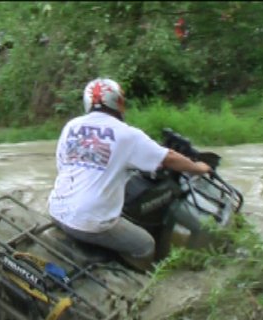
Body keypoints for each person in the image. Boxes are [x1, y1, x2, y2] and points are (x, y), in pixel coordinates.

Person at [48, 78, 211, 271]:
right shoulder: (127, 134)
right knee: (145, 245)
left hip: (56, 210)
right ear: (118, 103)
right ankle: (136, 284)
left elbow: (64, 166)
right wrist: (199, 167)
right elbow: (169, 157)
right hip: (89, 222)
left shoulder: (71, 126)